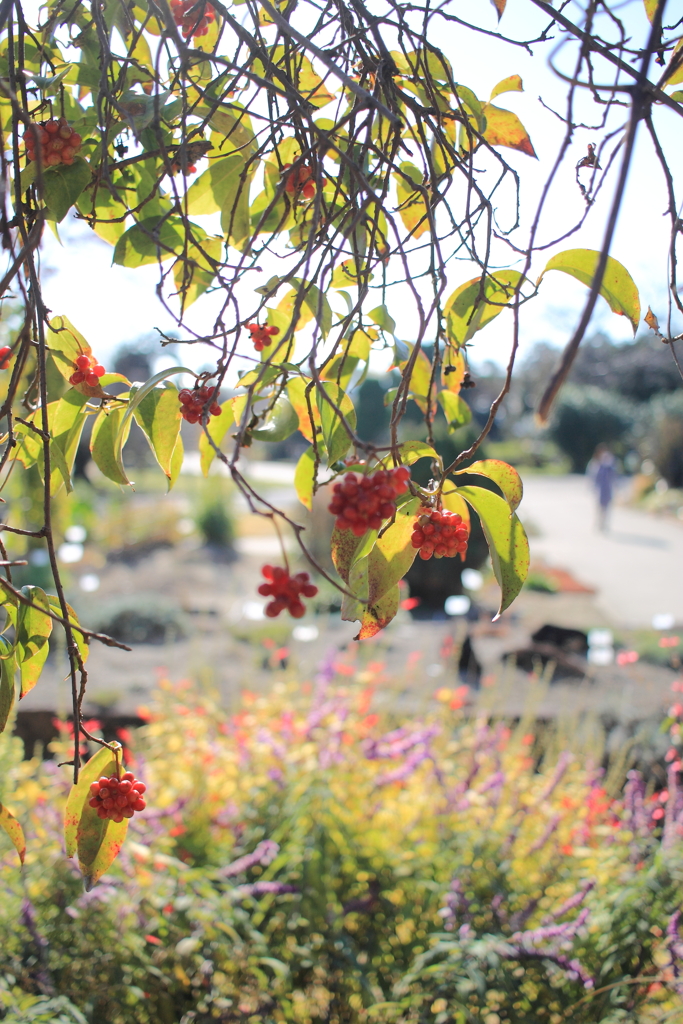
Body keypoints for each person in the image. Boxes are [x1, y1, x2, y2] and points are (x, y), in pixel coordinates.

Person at [589, 446, 618, 531]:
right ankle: (599, 522)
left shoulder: (610, 467)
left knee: (606, 507)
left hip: (608, 489)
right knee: (599, 507)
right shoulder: (597, 465)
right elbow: (594, 477)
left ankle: (604, 523)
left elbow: (614, 477)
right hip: (600, 490)